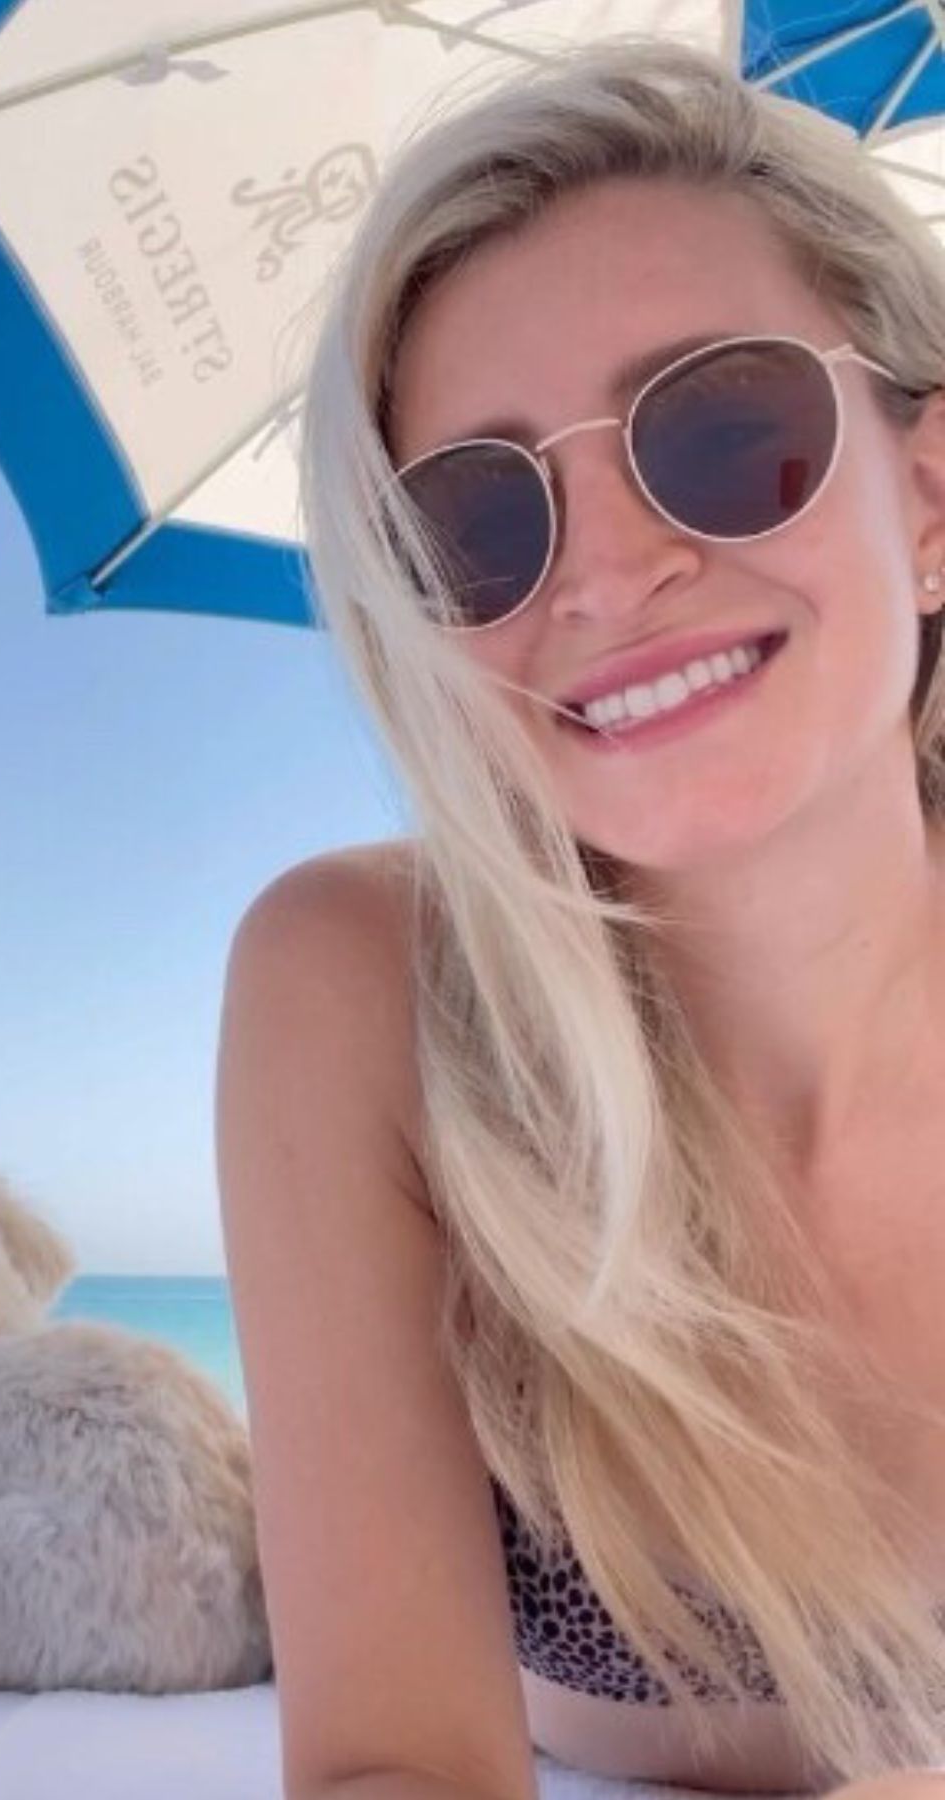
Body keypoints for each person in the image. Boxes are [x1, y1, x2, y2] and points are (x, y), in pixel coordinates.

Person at [214, 36, 945, 1800]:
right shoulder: (360, 991)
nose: (611, 573)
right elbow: (391, 1764)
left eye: (722, 428)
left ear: (926, 499)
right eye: (476, 519)